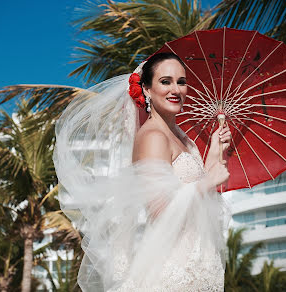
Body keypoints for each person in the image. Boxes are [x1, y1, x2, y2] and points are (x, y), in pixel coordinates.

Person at [54, 52, 232, 291]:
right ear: (146, 89)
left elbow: (193, 190)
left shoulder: (181, 138)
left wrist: (214, 150)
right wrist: (206, 184)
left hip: (197, 265)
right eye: (165, 81)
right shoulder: (153, 137)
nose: (176, 89)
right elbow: (160, 211)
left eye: (181, 82)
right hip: (173, 271)